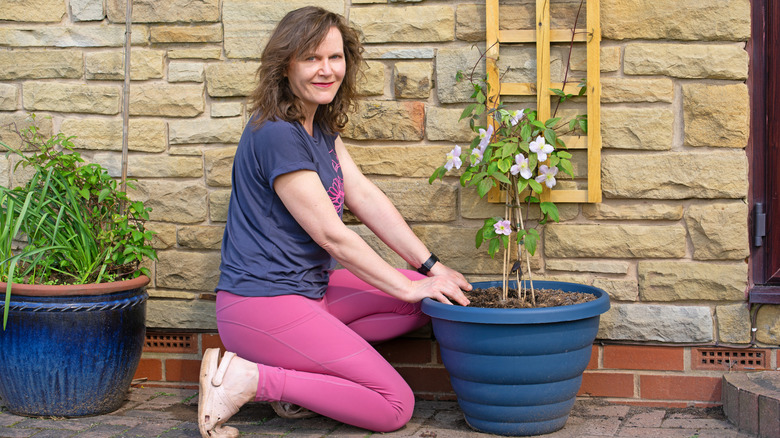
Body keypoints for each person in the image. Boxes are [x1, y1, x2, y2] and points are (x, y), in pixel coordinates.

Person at [196, 6, 472, 438]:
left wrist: (430, 269)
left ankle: (301, 373)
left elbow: (364, 197)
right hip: (261, 306)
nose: (327, 70)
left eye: (335, 57)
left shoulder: (317, 125)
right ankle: (253, 379)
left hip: (311, 292)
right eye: (311, 58)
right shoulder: (276, 133)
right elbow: (331, 234)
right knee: (394, 406)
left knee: (429, 303)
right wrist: (408, 284)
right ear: (284, 66)